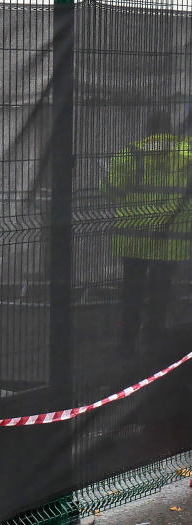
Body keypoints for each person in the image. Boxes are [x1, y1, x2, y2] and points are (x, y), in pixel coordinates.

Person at [100, 108, 192, 360]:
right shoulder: (186, 154)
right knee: (160, 292)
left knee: (132, 292)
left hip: (133, 236)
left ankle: (127, 345)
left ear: (147, 130)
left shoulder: (131, 154)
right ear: (171, 127)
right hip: (171, 238)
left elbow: (111, 191)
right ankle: (154, 346)